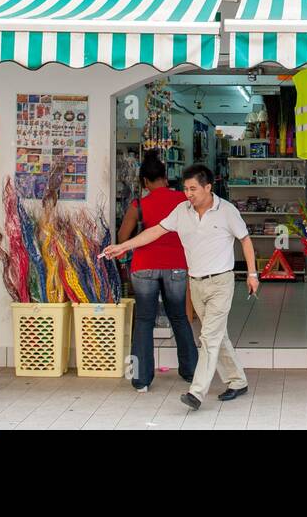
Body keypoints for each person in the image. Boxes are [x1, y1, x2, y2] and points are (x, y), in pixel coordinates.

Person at [104, 163, 257, 411]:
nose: (189, 194)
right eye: (185, 189)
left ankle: (196, 393)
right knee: (218, 335)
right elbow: (155, 231)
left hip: (220, 281)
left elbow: (245, 241)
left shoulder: (227, 211)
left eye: (194, 189)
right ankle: (238, 380)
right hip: (195, 283)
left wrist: (252, 274)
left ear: (208, 187)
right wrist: (125, 246)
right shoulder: (181, 210)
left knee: (208, 337)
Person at [117, 151, 198, 392]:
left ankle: (141, 380)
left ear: (144, 182)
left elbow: (123, 238)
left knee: (143, 320)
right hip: (176, 265)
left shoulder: (138, 205)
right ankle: (191, 371)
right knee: (179, 318)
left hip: (143, 266)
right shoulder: (182, 202)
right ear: (166, 177)